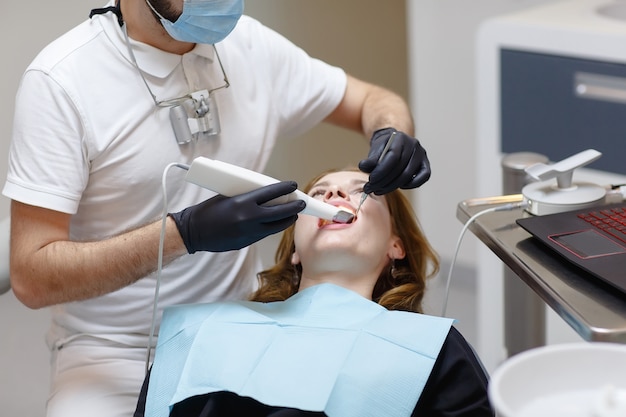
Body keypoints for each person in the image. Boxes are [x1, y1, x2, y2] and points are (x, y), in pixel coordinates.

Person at [3, 1, 432, 416]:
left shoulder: (250, 46)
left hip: (240, 325)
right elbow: (32, 275)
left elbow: (370, 100)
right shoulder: (61, 81)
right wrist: (183, 234)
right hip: (114, 349)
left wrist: (393, 131)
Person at [133, 168, 494, 417]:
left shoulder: (433, 348)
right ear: (294, 250)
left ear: (395, 245)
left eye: (362, 191)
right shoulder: (198, 332)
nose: (334, 194)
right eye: (318, 193)